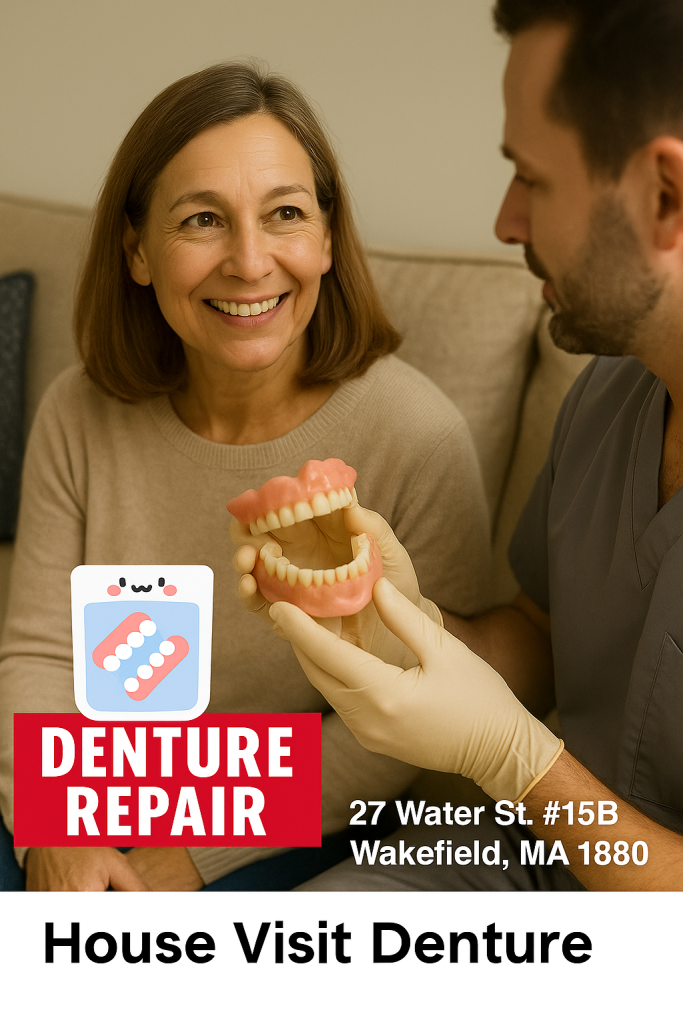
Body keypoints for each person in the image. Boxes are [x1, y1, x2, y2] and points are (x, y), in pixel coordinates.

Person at [0, 62, 491, 891]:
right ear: (138, 252)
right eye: (202, 220)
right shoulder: (77, 410)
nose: (249, 261)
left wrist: (196, 850)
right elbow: (43, 656)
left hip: (290, 817)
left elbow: (411, 708)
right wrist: (54, 825)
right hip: (87, 788)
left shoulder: (417, 434)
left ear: (327, 240)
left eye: (285, 215)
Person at [256, 0, 683, 892]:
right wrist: (400, 625)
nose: (504, 221)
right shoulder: (609, 393)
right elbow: (543, 633)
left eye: (532, 178)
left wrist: (522, 762)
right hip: (524, 863)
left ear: (665, 197)